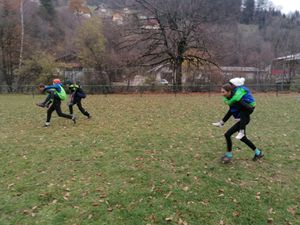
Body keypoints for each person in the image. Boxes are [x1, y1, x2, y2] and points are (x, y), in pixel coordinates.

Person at [212, 81, 264, 163]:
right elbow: (231, 111)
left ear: (229, 91)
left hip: (244, 119)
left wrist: (243, 109)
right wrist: (222, 122)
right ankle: (258, 152)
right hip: (242, 119)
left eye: (223, 92)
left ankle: (229, 155)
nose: (222, 94)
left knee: (228, 134)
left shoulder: (237, 99)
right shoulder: (231, 99)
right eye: (221, 92)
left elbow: (249, 108)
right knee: (240, 137)